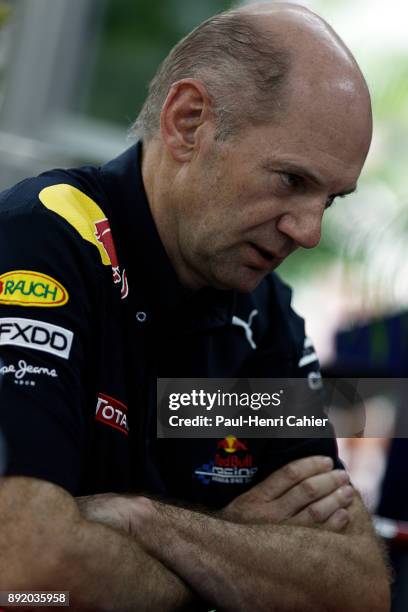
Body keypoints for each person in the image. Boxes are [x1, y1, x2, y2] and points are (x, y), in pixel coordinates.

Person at [0, 2, 389, 610]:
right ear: (187, 122)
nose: (310, 232)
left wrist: (141, 521)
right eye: (292, 180)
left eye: (331, 200)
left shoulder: (265, 316)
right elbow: (26, 575)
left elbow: (357, 586)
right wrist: (232, 563)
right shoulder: (41, 243)